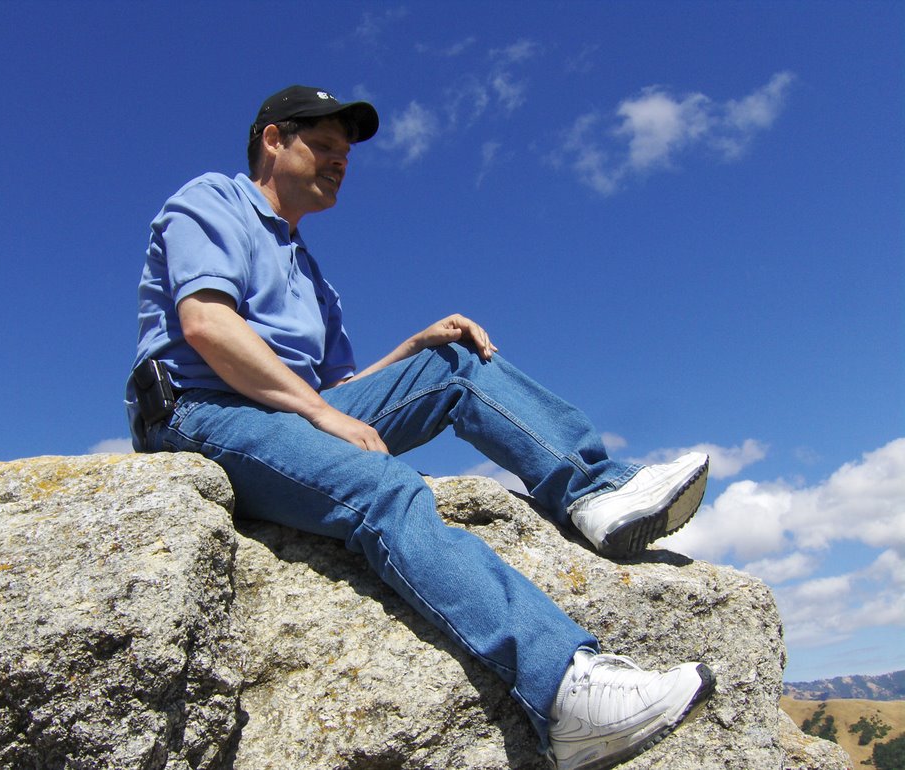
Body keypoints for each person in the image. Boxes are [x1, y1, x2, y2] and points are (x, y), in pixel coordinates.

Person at [126, 85, 715, 770]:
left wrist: (410, 352)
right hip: (203, 411)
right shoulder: (212, 201)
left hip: (285, 411)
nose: (340, 161)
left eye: (346, 155)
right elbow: (207, 325)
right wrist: (320, 414)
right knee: (384, 487)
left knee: (456, 359)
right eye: (323, 146)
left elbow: (337, 393)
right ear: (273, 140)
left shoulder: (312, 275)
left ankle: (594, 492)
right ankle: (566, 694)